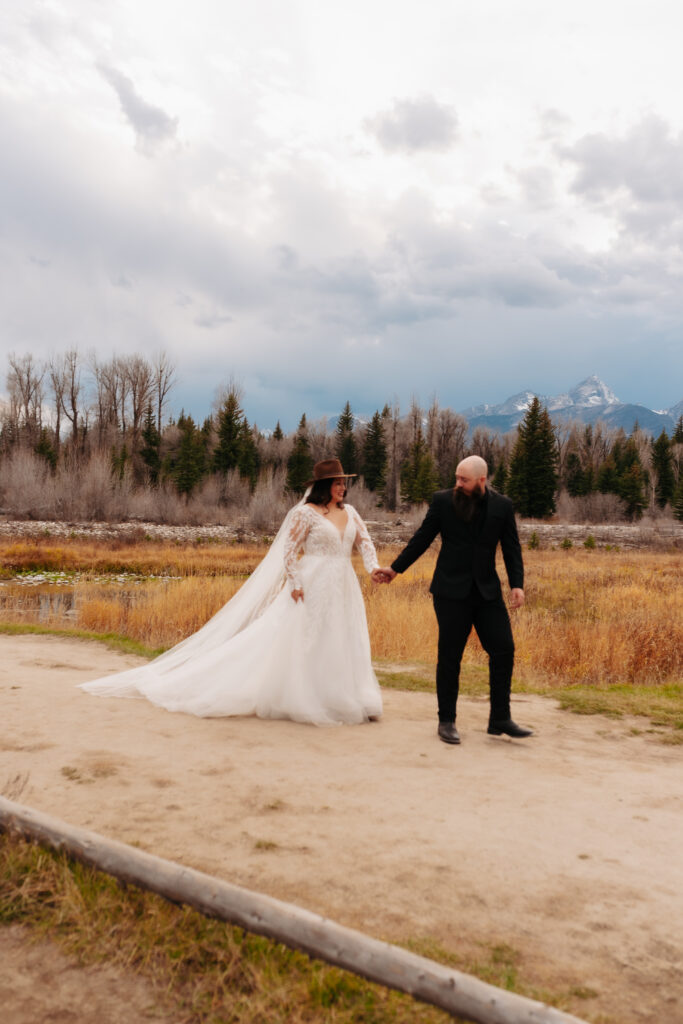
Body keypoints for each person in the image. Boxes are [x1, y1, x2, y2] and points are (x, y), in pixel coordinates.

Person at [80, 459, 383, 726]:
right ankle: (308, 696)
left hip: (343, 582)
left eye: (345, 483)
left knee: (342, 635)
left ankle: (345, 695)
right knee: (310, 636)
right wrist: (295, 583)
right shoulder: (306, 513)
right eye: (339, 483)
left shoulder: (352, 513)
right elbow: (289, 551)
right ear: (325, 485)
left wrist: (373, 569)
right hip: (312, 581)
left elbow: (365, 544)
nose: (343, 487)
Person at [375, 455, 532, 744]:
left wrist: (517, 584)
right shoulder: (443, 501)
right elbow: (422, 538)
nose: (457, 483)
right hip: (450, 593)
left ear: (481, 481)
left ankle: (500, 718)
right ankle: (446, 720)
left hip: (487, 592)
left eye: (464, 479)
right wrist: (395, 569)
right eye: (457, 478)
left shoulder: (502, 506)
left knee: (504, 650)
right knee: (450, 657)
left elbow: (512, 548)